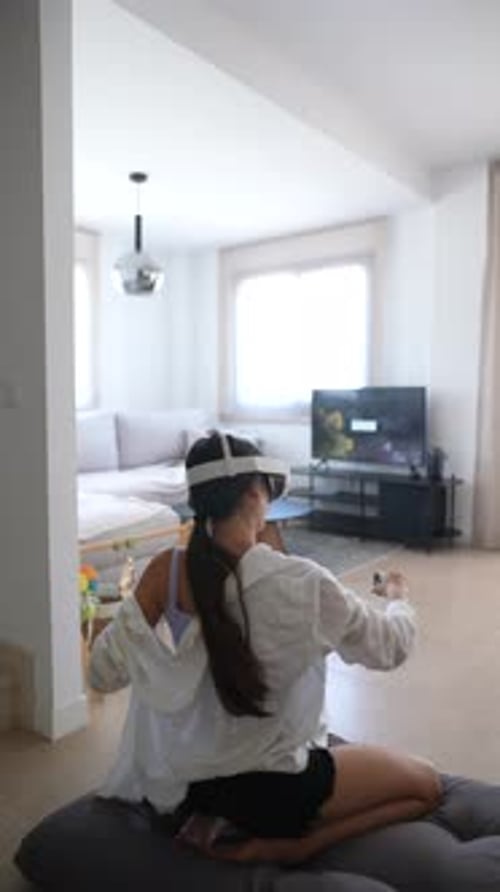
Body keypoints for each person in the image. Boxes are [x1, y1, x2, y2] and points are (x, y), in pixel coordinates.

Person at [88, 432, 442, 865]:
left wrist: (132, 618)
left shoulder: (168, 570)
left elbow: (102, 675)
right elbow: (391, 647)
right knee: (427, 786)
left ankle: (222, 821)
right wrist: (399, 598)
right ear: (257, 492)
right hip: (274, 795)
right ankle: (294, 846)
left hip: (187, 788)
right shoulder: (304, 582)